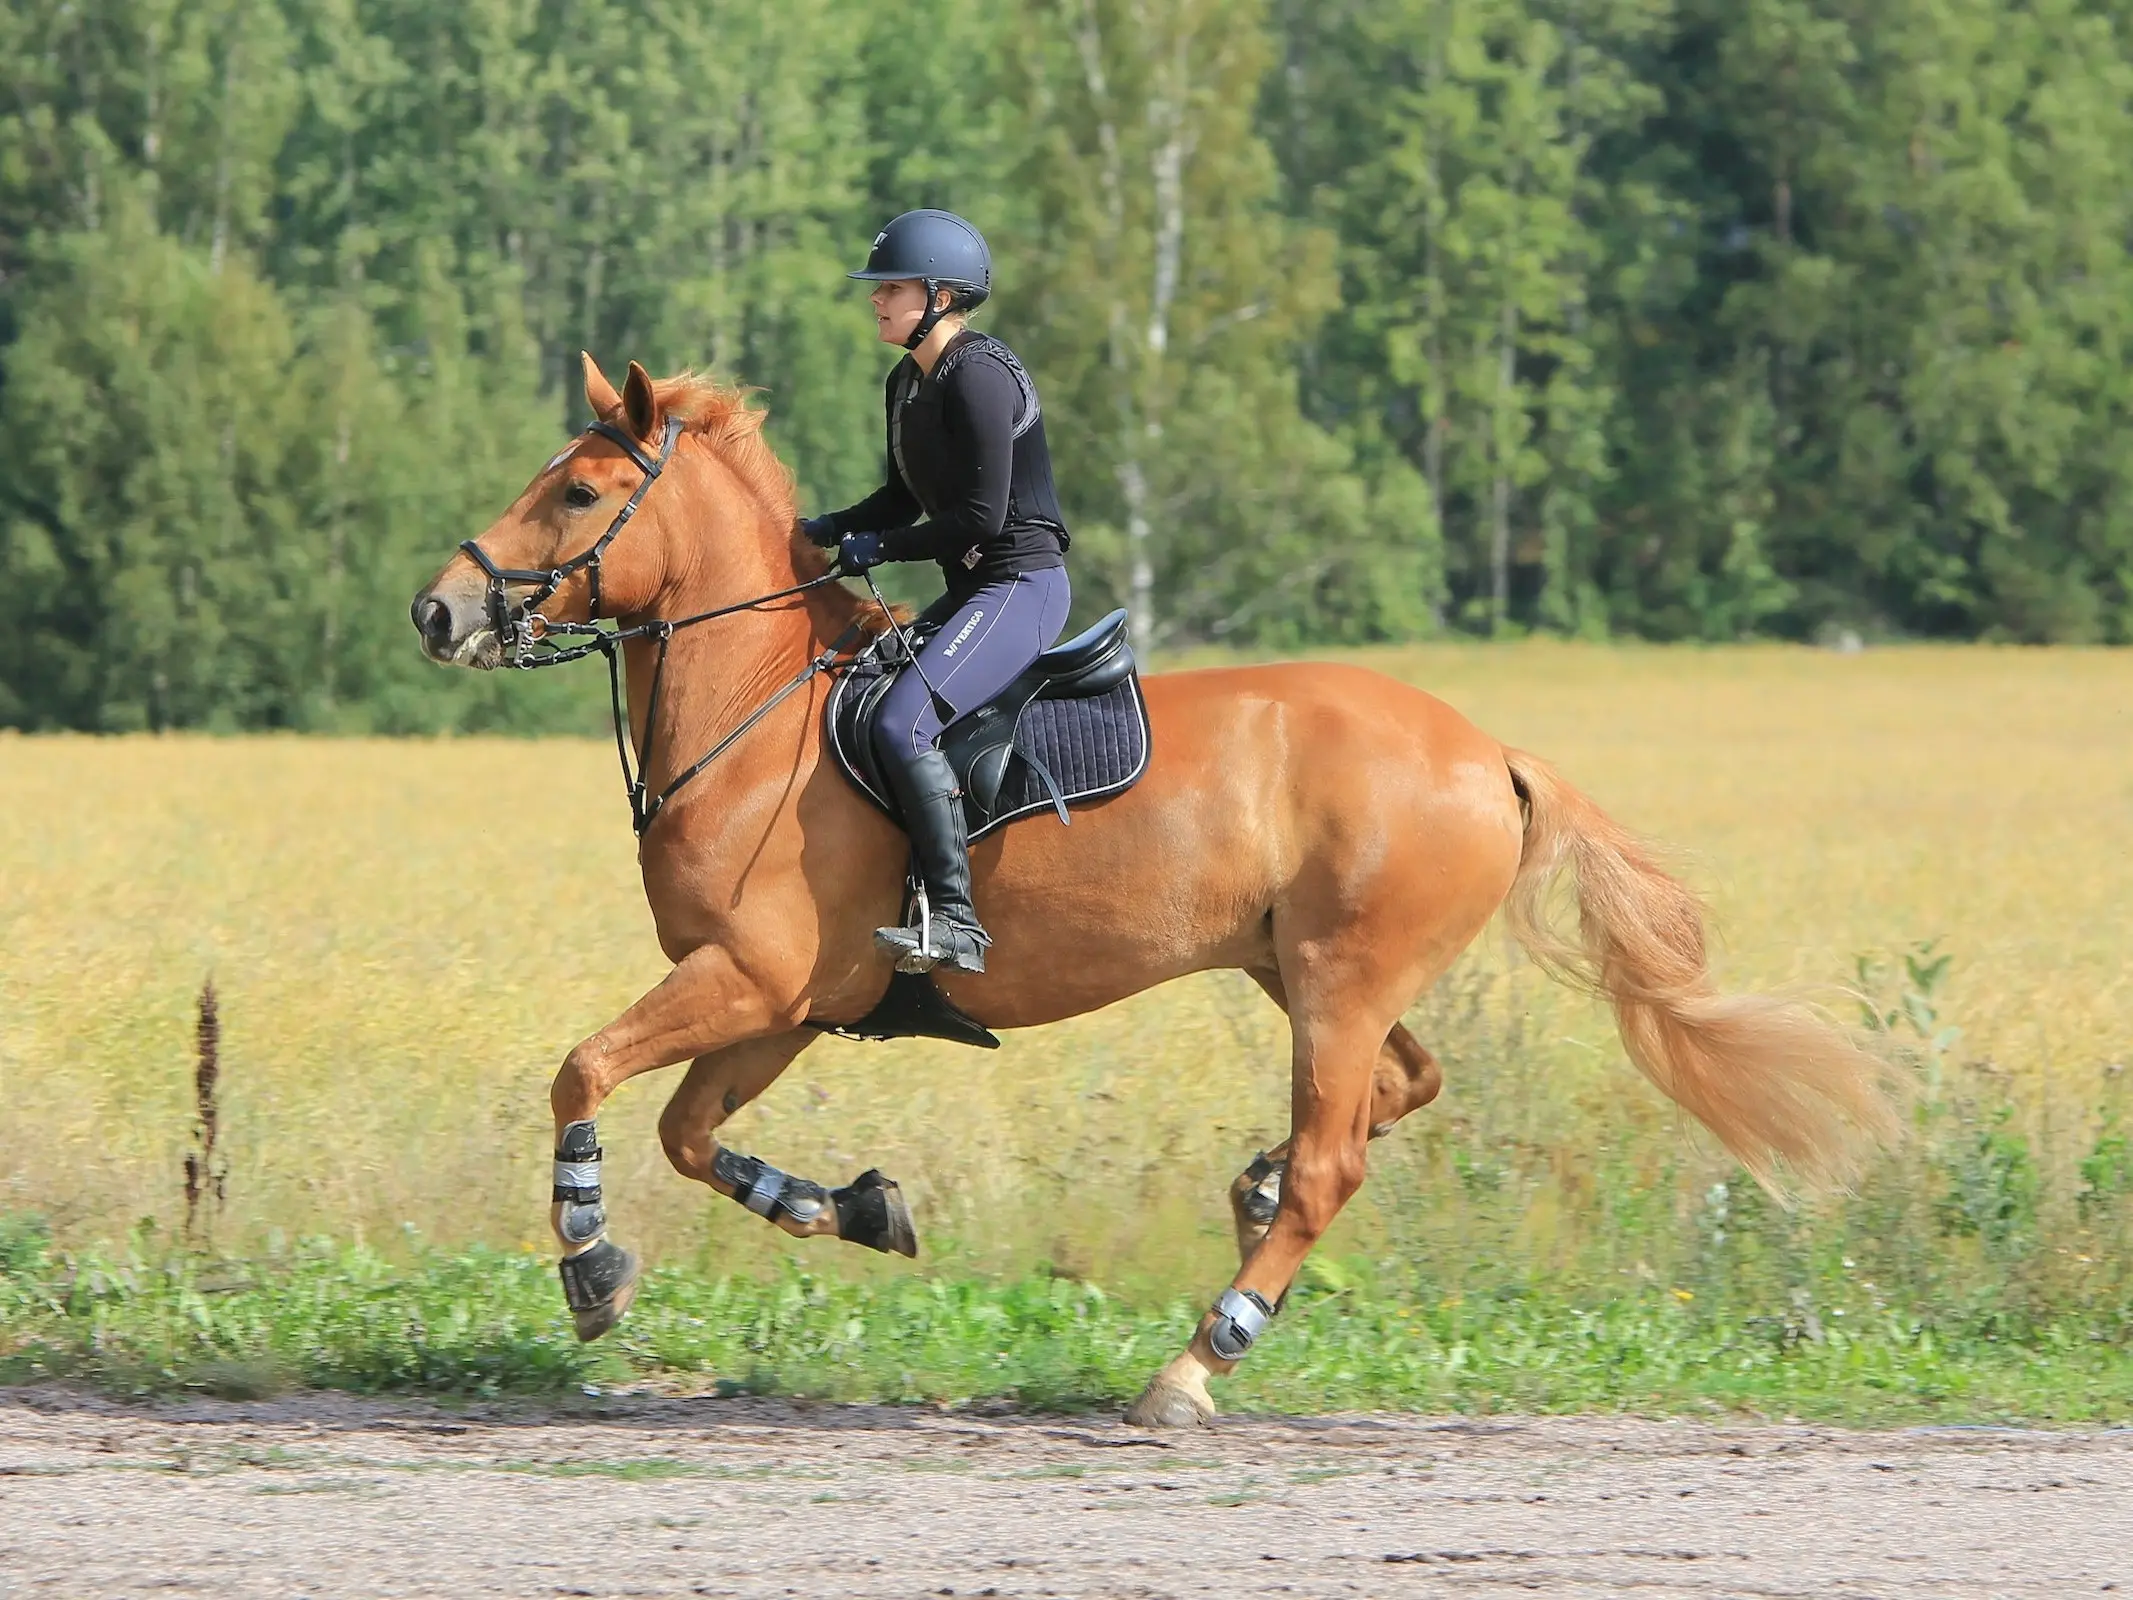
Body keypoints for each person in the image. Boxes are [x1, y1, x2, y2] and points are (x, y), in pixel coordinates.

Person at [800, 210, 1072, 975]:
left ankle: (955, 921)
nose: (875, 300)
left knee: (901, 722)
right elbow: (900, 501)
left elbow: (980, 517)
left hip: (1022, 585)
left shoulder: (978, 374)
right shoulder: (906, 382)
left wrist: (879, 549)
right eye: (877, 289)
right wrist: (817, 529)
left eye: (891, 288)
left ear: (943, 296)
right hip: (976, 588)